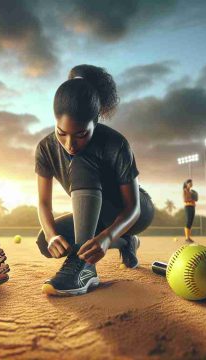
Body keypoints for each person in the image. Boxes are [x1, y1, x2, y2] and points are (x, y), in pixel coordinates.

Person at [35, 64, 155, 296]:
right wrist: (52, 236)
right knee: (44, 240)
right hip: (95, 216)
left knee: (81, 160)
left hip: (133, 212)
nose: (70, 144)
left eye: (81, 134)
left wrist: (107, 235)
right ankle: (127, 243)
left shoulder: (115, 143)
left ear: (96, 121)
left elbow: (133, 208)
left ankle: (85, 268)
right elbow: (43, 203)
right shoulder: (45, 148)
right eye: (61, 133)